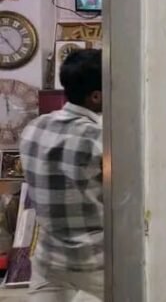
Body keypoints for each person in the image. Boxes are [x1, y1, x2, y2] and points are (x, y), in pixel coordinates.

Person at [19, 49, 103, 302]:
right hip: (94, 262)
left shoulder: (34, 128)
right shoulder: (99, 139)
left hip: (48, 258)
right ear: (96, 96)